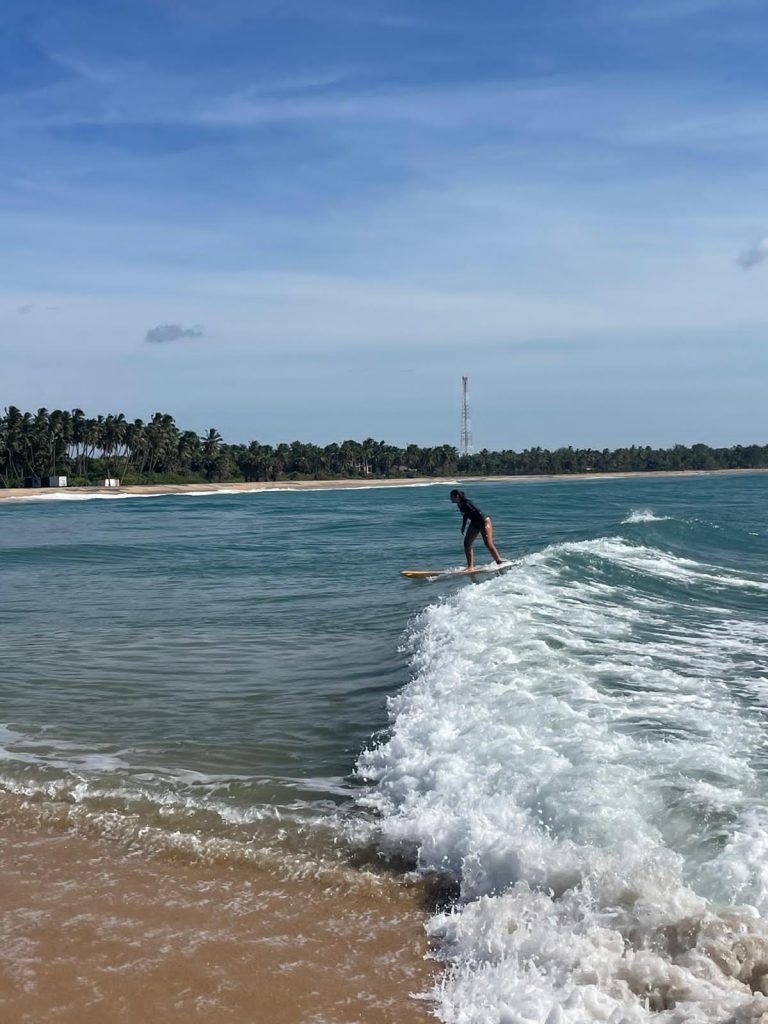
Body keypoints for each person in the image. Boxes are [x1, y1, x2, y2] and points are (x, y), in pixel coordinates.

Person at [449, 489, 503, 569]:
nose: (450, 499)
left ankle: (499, 562)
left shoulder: (467, 503)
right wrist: (463, 526)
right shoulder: (460, 504)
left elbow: (479, 513)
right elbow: (466, 514)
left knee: (488, 543)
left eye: (452, 497)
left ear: (457, 496)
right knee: (467, 543)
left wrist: (484, 527)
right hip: (475, 522)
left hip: (484, 521)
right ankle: (470, 566)